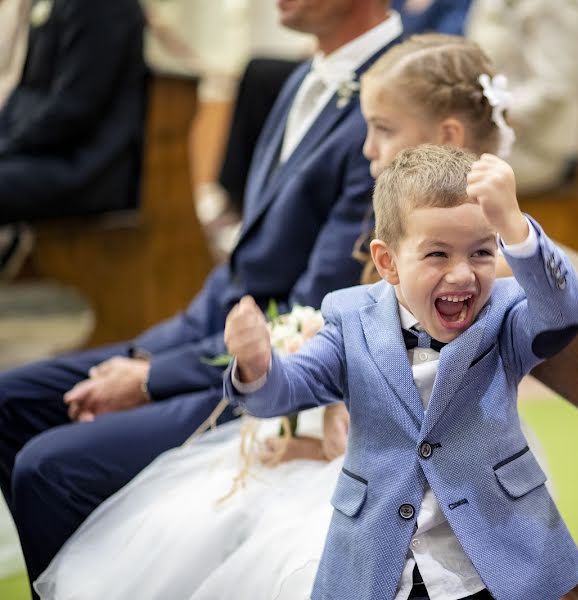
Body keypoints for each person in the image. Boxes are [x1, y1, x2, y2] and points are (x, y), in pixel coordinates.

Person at [34, 34, 524, 600]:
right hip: (358, 458)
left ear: (447, 138)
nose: (366, 149)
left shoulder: (486, 270)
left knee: (276, 556)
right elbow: (353, 365)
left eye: (383, 130)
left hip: (431, 484)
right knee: (197, 519)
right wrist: (267, 371)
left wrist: (331, 432)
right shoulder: (403, 238)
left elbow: (433, 400)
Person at [0, 0, 402, 591]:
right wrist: (146, 356)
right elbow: (239, 274)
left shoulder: (394, 105)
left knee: (50, 468)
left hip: (269, 379)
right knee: (9, 400)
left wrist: (152, 378)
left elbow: (309, 315)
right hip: (206, 338)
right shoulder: (300, 76)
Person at [225, 144, 578, 600]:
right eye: (437, 254)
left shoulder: (503, 312)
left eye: (480, 252)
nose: (461, 275)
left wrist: (515, 226)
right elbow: (288, 389)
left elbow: (563, 312)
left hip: (492, 557)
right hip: (383, 561)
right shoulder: (350, 317)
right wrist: (257, 366)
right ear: (388, 263)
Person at [0, 0, 146, 278]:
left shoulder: (103, 6)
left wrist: (7, 147)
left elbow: (74, 109)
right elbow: (25, 93)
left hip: (86, 168)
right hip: (46, 153)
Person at [465, 0, 578, 195]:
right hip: (485, 132)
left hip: (533, 147)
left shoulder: (560, 6)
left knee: (443, 175)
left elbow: (553, 90)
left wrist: (488, 118)